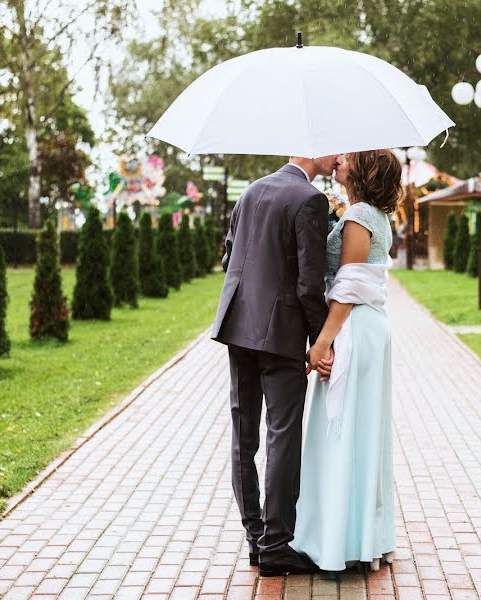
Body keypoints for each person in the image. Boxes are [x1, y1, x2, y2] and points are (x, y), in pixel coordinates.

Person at [211, 155, 339, 577]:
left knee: (244, 433)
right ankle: (276, 544)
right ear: (312, 151)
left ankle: (255, 538)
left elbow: (229, 256)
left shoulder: (251, 190)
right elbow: (308, 283)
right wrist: (323, 340)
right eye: (332, 148)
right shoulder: (310, 199)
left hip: (236, 325)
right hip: (279, 333)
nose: (338, 155)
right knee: (283, 434)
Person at [291, 150, 400, 571]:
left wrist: (321, 343)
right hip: (368, 325)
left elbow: (351, 284)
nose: (340, 158)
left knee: (341, 430)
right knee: (358, 429)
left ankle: (338, 540)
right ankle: (359, 536)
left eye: (350, 156)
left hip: (353, 327)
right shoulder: (366, 213)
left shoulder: (359, 215)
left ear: (364, 169)